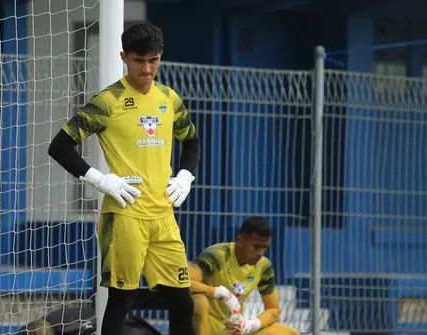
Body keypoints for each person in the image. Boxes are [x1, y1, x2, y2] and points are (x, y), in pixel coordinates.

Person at [48, 22, 200, 335]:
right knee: (121, 298)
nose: (146, 69)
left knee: (183, 302)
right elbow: (59, 146)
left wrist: (185, 175)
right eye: (139, 60)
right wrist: (99, 179)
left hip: (163, 215)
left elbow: (192, 141)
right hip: (124, 214)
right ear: (123, 57)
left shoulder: (169, 98)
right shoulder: (108, 101)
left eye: (153, 60)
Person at [189, 217, 299, 335]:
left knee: (291, 333)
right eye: (256, 247)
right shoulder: (217, 255)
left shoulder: (263, 265)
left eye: (265, 247)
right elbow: (185, 282)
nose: (260, 253)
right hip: (209, 324)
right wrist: (219, 293)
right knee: (199, 301)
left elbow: (274, 309)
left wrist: (250, 325)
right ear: (240, 241)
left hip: (235, 328)